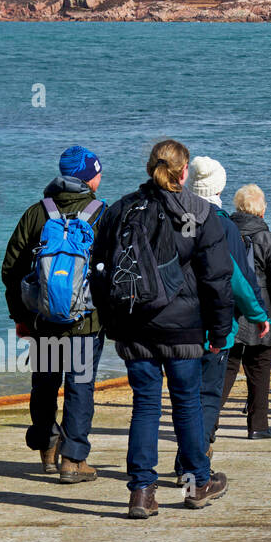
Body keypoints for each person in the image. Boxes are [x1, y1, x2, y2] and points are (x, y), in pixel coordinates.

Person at [89, 139, 232, 518]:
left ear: (150, 167)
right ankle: (197, 483)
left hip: (135, 325)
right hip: (184, 329)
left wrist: (113, 323)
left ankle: (140, 492)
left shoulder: (121, 209)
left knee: (145, 407)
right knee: (186, 405)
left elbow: (99, 271)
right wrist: (219, 333)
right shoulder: (200, 213)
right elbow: (217, 280)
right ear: (183, 172)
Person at [1, 145, 107, 484]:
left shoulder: (37, 213)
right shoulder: (103, 214)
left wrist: (21, 316)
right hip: (85, 322)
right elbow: (116, 272)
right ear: (90, 178)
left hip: (42, 320)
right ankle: (72, 461)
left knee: (45, 385)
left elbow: (11, 270)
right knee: (80, 387)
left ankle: (47, 450)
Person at [179, 156, 270, 477]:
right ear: (219, 187)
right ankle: (193, 462)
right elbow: (238, 277)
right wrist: (258, 313)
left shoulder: (176, 216)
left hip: (175, 321)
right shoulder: (223, 224)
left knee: (183, 395)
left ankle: (185, 460)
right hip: (215, 324)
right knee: (206, 395)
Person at [224, 184, 271, 440]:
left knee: (227, 369)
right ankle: (257, 425)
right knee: (260, 372)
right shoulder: (269, 238)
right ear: (261, 210)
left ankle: (209, 423)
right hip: (261, 313)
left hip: (230, 311)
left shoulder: (225, 233)